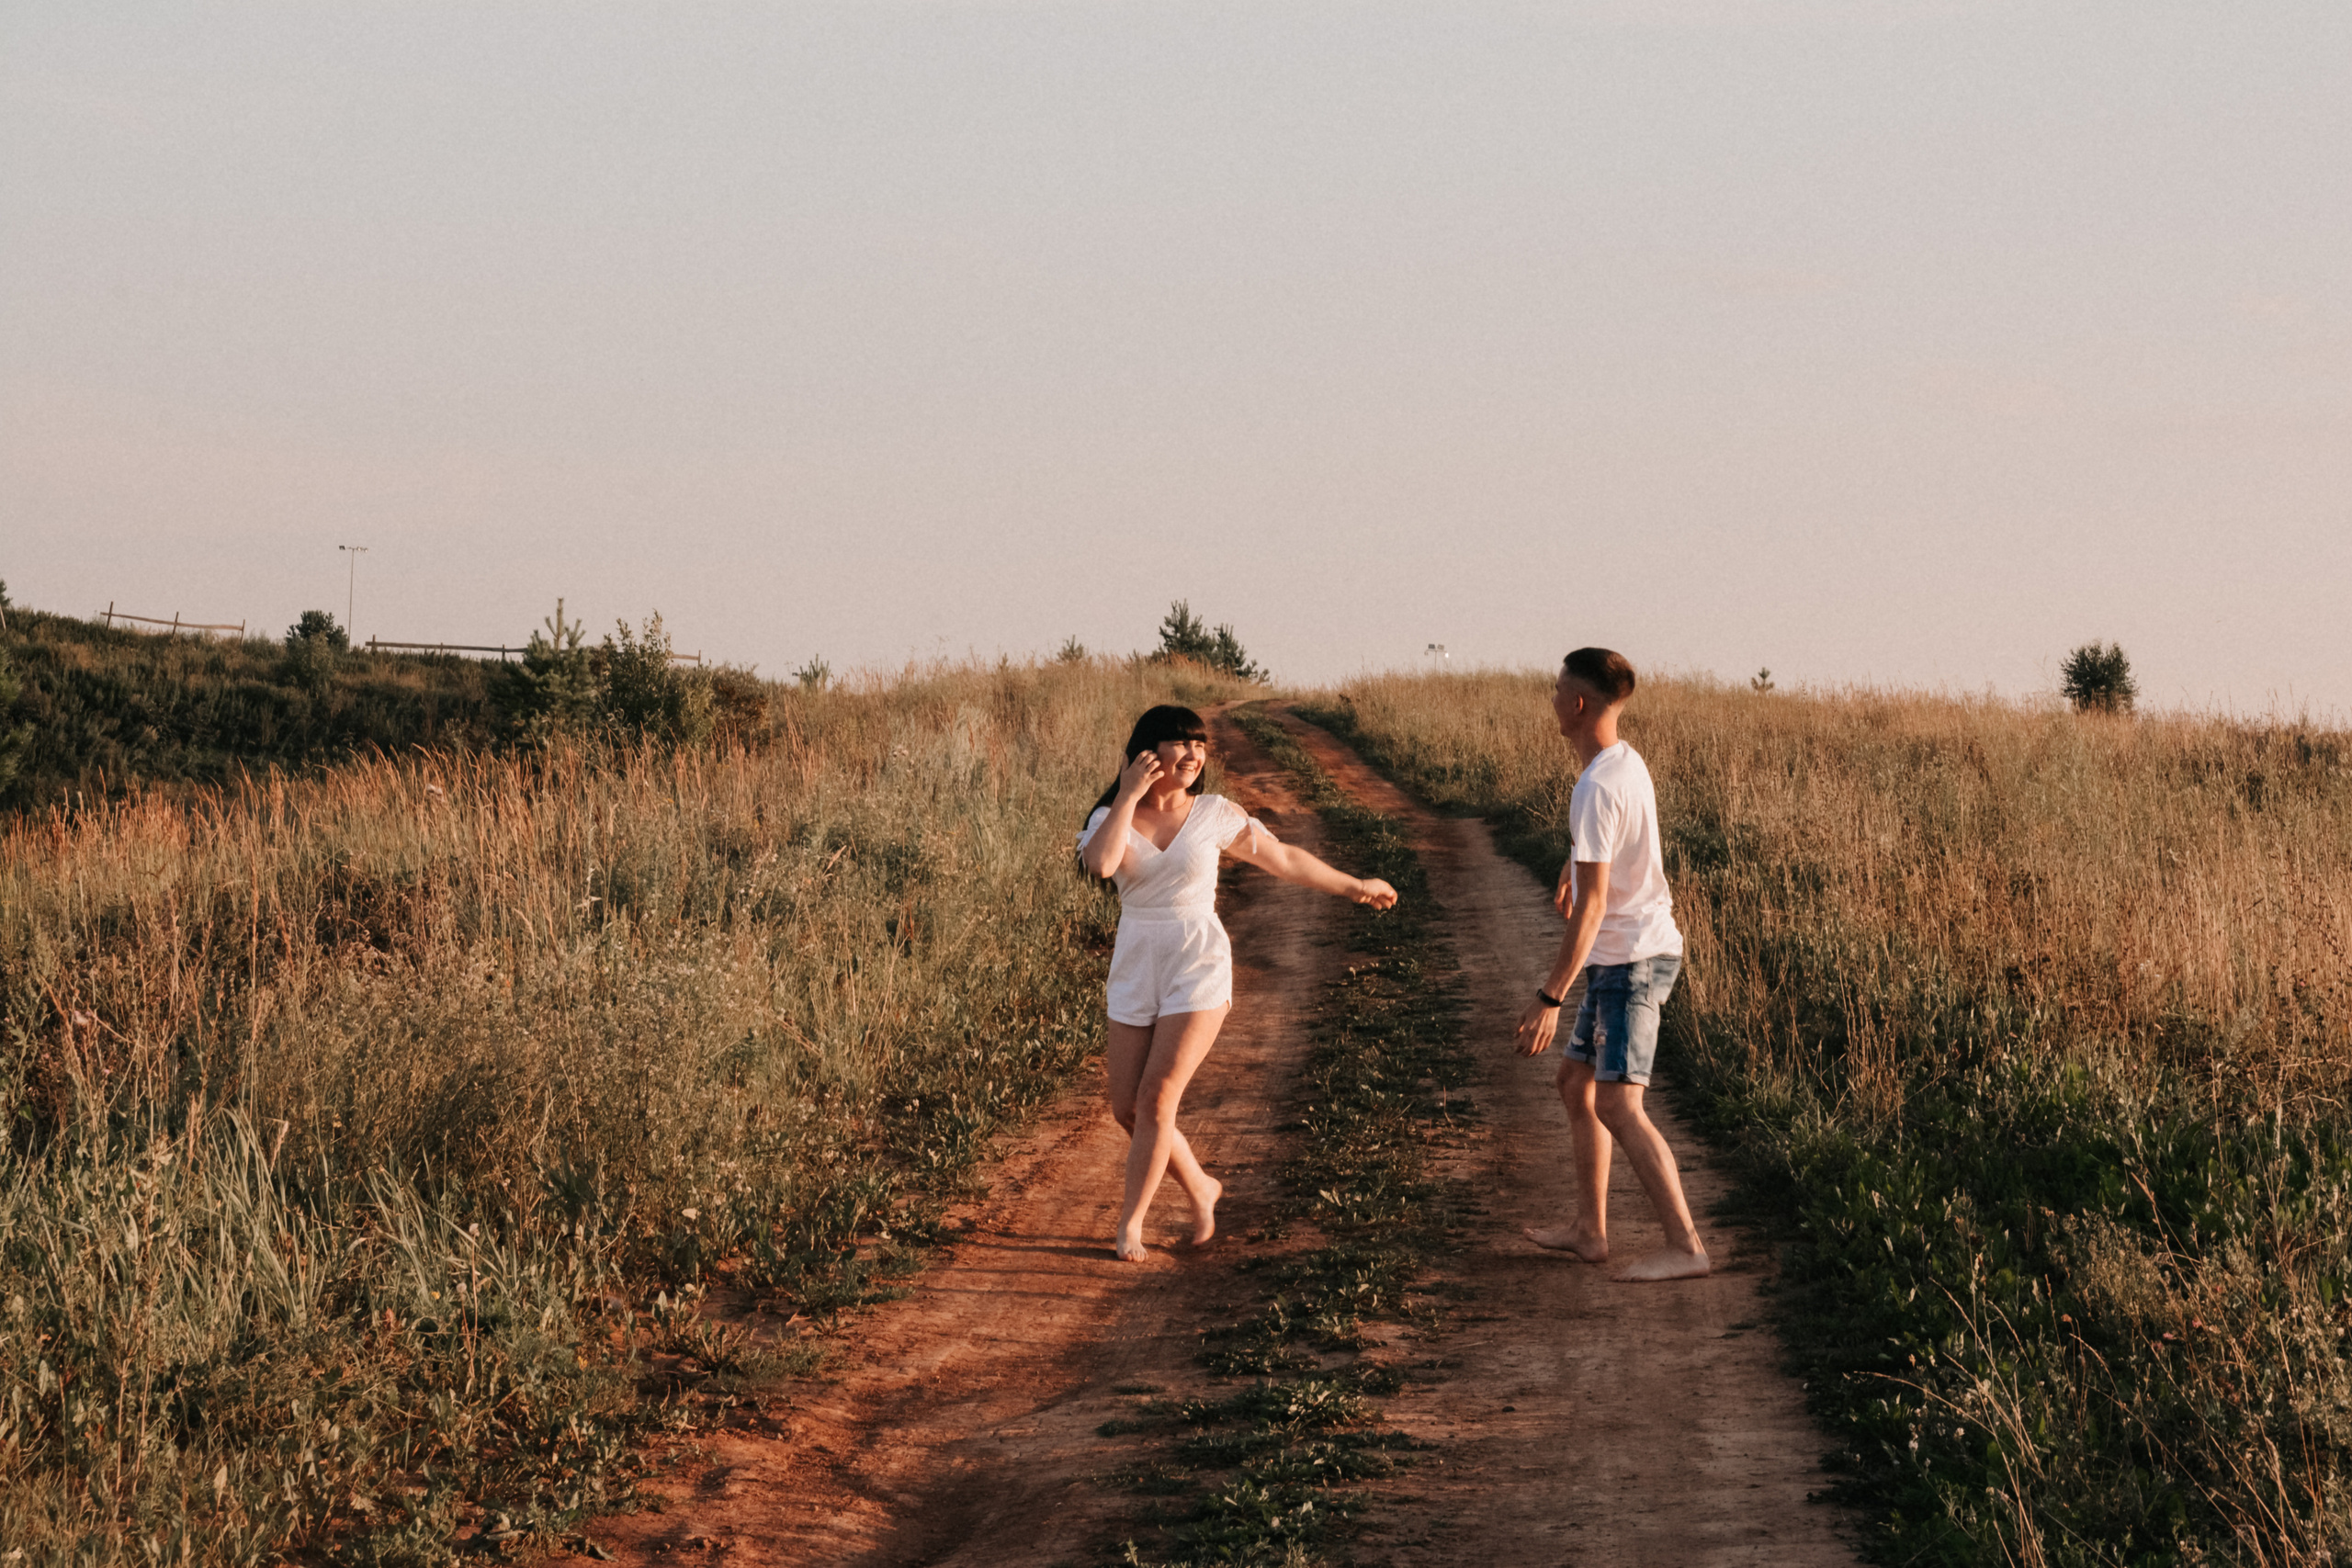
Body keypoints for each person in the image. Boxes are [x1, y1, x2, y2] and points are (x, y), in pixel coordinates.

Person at [1080, 705, 1397, 1261]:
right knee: (1126, 1108)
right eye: (1181, 743)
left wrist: (1355, 886)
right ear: (1144, 753)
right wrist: (1127, 796)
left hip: (1196, 961)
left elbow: (1285, 859)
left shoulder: (1214, 813)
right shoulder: (1111, 815)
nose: (1195, 755)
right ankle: (1201, 1186)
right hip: (1135, 962)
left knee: (1157, 1100)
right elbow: (1101, 867)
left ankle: (1130, 1224)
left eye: (1200, 746)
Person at [1513, 649, 1710, 1282]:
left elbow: (1593, 909)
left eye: (1556, 691)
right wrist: (1572, 864)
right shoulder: (1619, 763)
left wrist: (1550, 997)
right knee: (1577, 1086)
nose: (1550, 700)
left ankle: (1686, 1246)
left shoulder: (1597, 786)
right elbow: (1610, 854)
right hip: (1621, 956)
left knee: (1621, 1105)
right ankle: (1590, 1231)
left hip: (1632, 960)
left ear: (1577, 704)